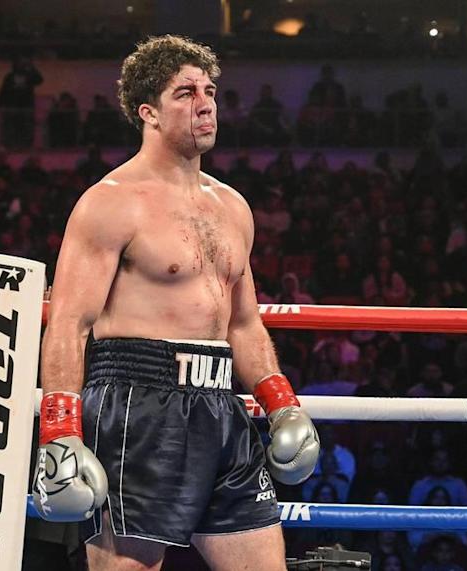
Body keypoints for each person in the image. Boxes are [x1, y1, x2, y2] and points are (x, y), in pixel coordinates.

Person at [32, 35, 320, 571]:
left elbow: (245, 324)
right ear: (149, 112)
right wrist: (59, 433)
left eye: (209, 90)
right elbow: (70, 324)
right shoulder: (111, 202)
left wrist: (281, 401)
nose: (204, 103)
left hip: (221, 407)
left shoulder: (232, 206)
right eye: (184, 92)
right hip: (136, 403)